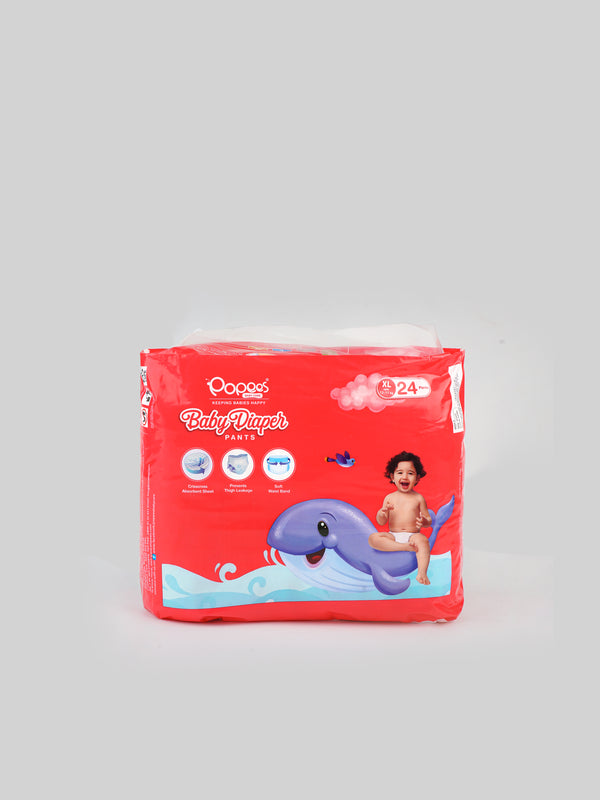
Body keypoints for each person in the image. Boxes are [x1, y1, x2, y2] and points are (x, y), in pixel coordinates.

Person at [368, 451, 432, 585]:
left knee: (423, 541)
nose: (405, 477)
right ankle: (404, 547)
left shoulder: (418, 498)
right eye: (400, 472)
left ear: (417, 478)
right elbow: (381, 522)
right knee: (373, 538)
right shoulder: (389, 498)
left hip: (413, 535)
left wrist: (424, 521)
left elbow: (428, 520)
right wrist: (382, 512)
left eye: (410, 473)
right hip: (393, 535)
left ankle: (422, 573)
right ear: (392, 476)